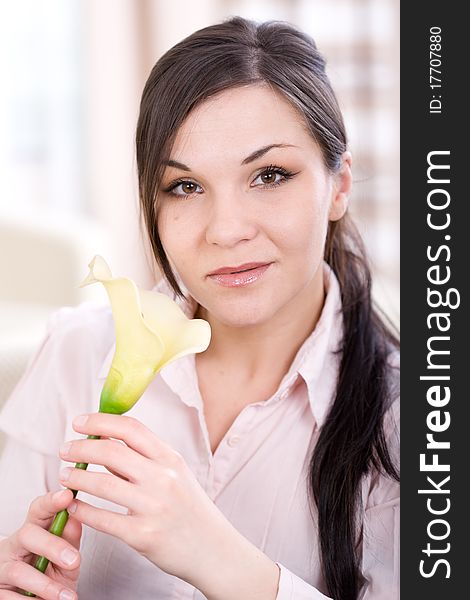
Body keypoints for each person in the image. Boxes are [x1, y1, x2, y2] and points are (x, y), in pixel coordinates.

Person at [0, 16, 399, 600]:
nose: (227, 230)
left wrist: (218, 558)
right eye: (185, 187)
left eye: (270, 175)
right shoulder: (77, 353)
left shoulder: (409, 420)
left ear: (338, 186)